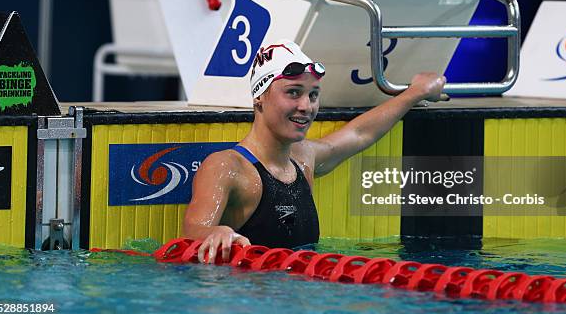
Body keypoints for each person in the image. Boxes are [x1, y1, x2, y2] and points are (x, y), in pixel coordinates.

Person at [182, 39, 446, 263]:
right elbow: (192, 229)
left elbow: (359, 133)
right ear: (259, 97)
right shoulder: (227, 166)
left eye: (313, 95)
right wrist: (217, 232)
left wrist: (415, 93)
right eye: (293, 93)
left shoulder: (303, 158)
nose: (306, 106)